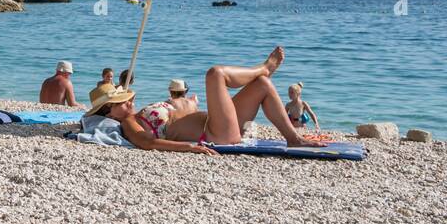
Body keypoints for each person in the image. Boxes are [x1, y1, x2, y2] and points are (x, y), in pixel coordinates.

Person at [86, 47, 321, 153]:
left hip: (221, 123)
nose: (128, 101)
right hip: (213, 134)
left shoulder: (134, 115)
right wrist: (190, 147)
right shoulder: (128, 123)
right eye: (121, 102)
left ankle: (293, 138)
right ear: (109, 112)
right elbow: (147, 142)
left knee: (261, 86)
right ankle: (263, 68)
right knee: (215, 74)